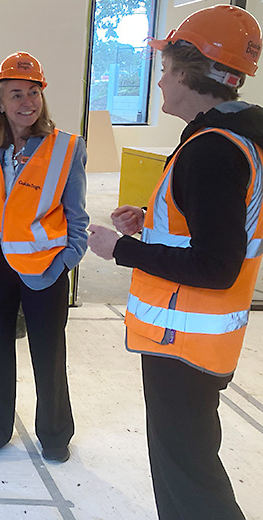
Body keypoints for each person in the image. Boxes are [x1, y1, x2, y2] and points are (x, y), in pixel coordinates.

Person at [88, 6, 263, 519]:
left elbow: (216, 265)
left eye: (165, 71)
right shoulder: (235, 140)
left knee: (188, 476)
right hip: (199, 340)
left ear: (188, 73)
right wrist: (151, 220)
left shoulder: (211, 151)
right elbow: (217, 230)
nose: (160, 83)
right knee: (188, 462)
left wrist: (120, 250)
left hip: (183, 341)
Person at [0, 52, 88, 463]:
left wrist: (65, 262)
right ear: (0, 100)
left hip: (43, 267)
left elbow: (77, 218)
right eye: (16, 94)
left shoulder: (67, 147)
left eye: (34, 92)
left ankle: (54, 435)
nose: (27, 102)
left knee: (48, 354)